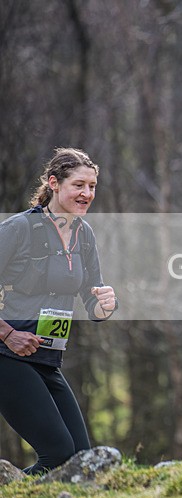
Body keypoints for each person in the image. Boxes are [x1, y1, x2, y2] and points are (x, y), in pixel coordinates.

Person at [0, 147, 118, 474]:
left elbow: (92, 299)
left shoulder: (84, 235)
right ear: (54, 183)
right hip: (7, 357)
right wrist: (8, 334)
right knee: (58, 454)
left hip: (48, 358)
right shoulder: (19, 229)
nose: (87, 193)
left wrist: (106, 304)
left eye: (92, 186)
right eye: (79, 185)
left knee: (80, 458)